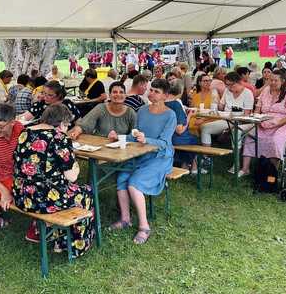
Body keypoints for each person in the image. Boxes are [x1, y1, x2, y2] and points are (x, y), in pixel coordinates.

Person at [13, 103, 95, 255]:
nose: (66, 128)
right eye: (67, 125)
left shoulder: (25, 133)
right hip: (45, 200)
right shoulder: (59, 138)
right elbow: (72, 176)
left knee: (69, 190)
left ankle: (52, 234)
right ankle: (72, 245)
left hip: (22, 195)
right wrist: (75, 164)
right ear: (62, 123)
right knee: (86, 192)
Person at [109, 79, 176, 244]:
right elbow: (135, 134)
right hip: (141, 154)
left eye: (156, 91)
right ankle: (125, 219)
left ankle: (144, 226)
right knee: (122, 178)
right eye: (151, 89)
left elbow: (165, 143)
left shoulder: (170, 115)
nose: (151, 93)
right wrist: (119, 136)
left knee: (134, 182)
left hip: (160, 157)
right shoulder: (142, 110)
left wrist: (146, 139)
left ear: (165, 96)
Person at [242, 70, 286, 175]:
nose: (272, 82)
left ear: (283, 81)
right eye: (271, 80)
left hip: (283, 124)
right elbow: (258, 109)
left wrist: (277, 123)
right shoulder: (266, 91)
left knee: (275, 140)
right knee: (250, 136)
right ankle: (245, 169)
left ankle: (271, 172)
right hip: (263, 122)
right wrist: (257, 118)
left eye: (275, 80)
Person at [200, 72, 254, 149]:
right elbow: (221, 108)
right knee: (205, 127)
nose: (229, 87)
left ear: (239, 82)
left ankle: (236, 159)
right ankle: (207, 157)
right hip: (227, 120)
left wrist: (233, 120)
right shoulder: (227, 91)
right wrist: (216, 99)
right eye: (227, 85)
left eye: (231, 85)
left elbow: (246, 115)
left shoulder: (247, 93)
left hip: (240, 122)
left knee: (235, 131)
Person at [69, 82, 136, 139]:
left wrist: (118, 137)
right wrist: (76, 132)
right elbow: (84, 125)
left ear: (125, 95)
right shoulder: (100, 108)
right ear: (109, 95)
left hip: (122, 148)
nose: (118, 94)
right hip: (100, 146)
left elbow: (135, 134)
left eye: (121, 92)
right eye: (115, 92)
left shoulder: (130, 112)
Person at [165, 83, 198, 171]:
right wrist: (189, 116)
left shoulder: (162, 102)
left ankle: (185, 164)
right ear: (180, 91)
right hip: (174, 139)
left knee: (190, 138)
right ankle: (192, 167)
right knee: (194, 139)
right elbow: (179, 130)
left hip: (164, 137)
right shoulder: (176, 105)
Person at [187, 74, 219, 138]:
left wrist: (203, 119)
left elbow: (215, 111)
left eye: (209, 80)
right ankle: (194, 142)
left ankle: (198, 142)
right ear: (199, 83)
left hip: (210, 117)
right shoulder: (195, 93)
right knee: (191, 123)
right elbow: (192, 109)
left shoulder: (213, 93)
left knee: (197, 124)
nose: (208, 82)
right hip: (197, 116)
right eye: (205, 81)